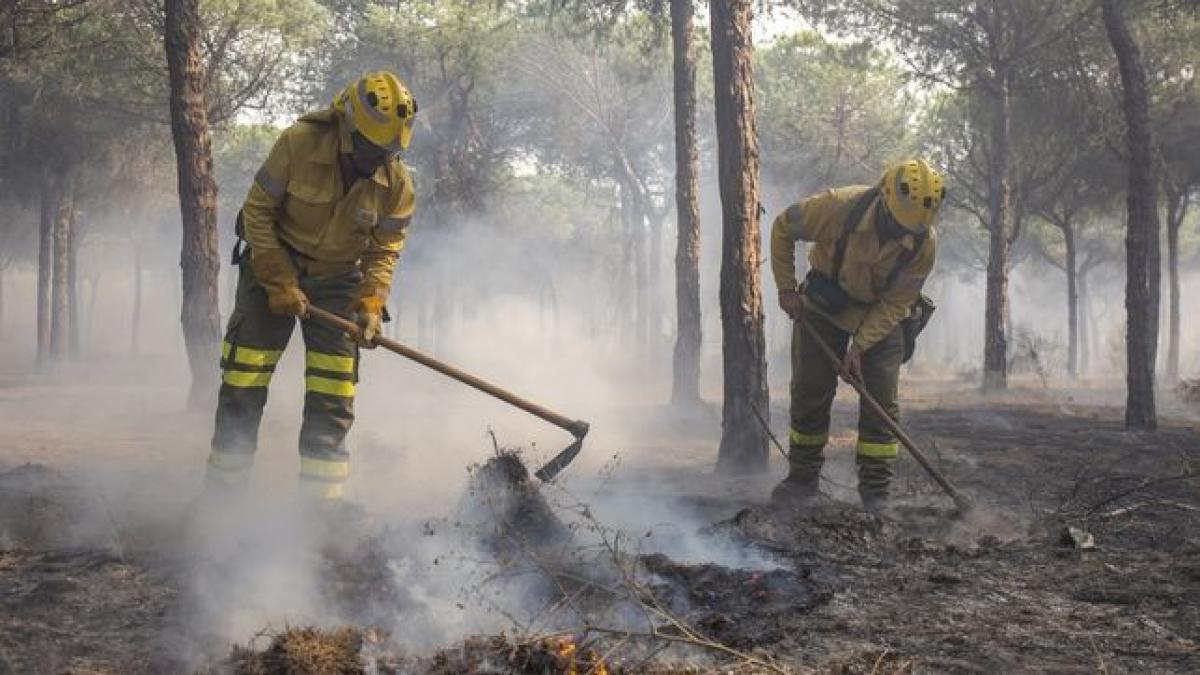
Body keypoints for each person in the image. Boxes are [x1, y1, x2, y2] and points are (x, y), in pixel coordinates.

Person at [204, 71, 418, 503]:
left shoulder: (396, 185)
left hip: (339, 281)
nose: (379, 159)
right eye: (373, 149)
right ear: (349, 127)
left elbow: (384, 251)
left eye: (390, 151)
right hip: (271, 266)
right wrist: (278, 281)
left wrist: (371, 303)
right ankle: (221, 505)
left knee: (333, 394)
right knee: (243, 384)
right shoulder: (298, 143)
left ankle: (320, 516)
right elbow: (257, 214)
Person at [768, 159, 944, 512]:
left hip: (881, 317)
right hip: (822, 309)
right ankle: (802, 480)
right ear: (884, 199)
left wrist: (860, 347)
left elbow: (897, 302)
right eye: (897, 224)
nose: (902, 235)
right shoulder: (838, 207)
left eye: (910, 229)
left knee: (882, 404)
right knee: (810, 392)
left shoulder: (923, 243)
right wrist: (787, 290)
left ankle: (876, 494)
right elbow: (783, 227)